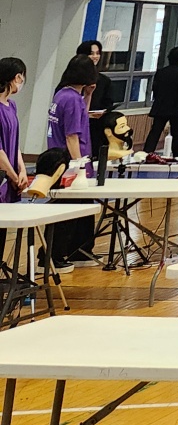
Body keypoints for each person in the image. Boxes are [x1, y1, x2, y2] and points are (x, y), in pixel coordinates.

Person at [45, 56, 99, 269]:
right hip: (70, 163)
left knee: (82, 210)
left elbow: (81, 117)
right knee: (67, 213)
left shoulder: (63, 95)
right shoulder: (72, 99)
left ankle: (78, 251)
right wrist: (79, 167)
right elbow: (72, 136)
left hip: (61, 159)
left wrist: (88, 95)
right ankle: (53, 256)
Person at [143, 46, 178, 158]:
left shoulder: (161, 72)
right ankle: (176, 153)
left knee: (155, 131)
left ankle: (147, 151)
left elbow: (155, 89)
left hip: (161, 105)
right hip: (176, 108)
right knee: (176, 132)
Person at [76, 38, 117, 167]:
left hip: (96, 125)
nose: (95, 56)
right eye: (91, 53)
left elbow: (108, 102)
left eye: (97, 53)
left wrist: (103, 112)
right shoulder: (74, 79)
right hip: (76, 123)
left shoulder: (104, 81)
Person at [0, 58, 27, 200]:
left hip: (11, 176)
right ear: (17, 77)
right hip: (4, 177)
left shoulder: (12, 106)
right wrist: (14, 177)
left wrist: (22, 171)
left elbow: (15, 145)